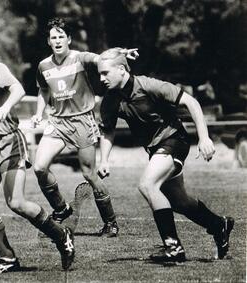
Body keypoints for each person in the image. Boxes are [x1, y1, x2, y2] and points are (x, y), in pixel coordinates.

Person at [0, 25, 75, 272]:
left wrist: (6, 108)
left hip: (9, 143)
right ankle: (6, 258)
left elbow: (18, 89)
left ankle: (61, 236)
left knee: (16, 202)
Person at [97, 48, 234, 262]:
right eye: (99, 74)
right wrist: (104, 159)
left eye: (105, 73)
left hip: (175, 140)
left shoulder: (149, 85)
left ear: (122, 70)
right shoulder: (110, 101)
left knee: (147, 184)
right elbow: (108, 131)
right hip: (156, 149)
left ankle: (173, 247)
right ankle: (219, 224)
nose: (101, 78)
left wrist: (205, 138)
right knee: (180, 201)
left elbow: (192, 102)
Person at [32, 17, 137, 237]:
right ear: (48, 42)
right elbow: (43, 91)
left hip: (82, 120)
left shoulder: (79, 58)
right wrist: (38, 113)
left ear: (69, 39)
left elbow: (102, 58)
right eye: (54, 37)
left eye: (62, 36)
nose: (58, 40)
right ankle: (61, 209)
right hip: (57, 123)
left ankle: (111, 222)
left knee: (89, 174)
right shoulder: (43, 65)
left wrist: (121, 54)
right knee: (39, 167)